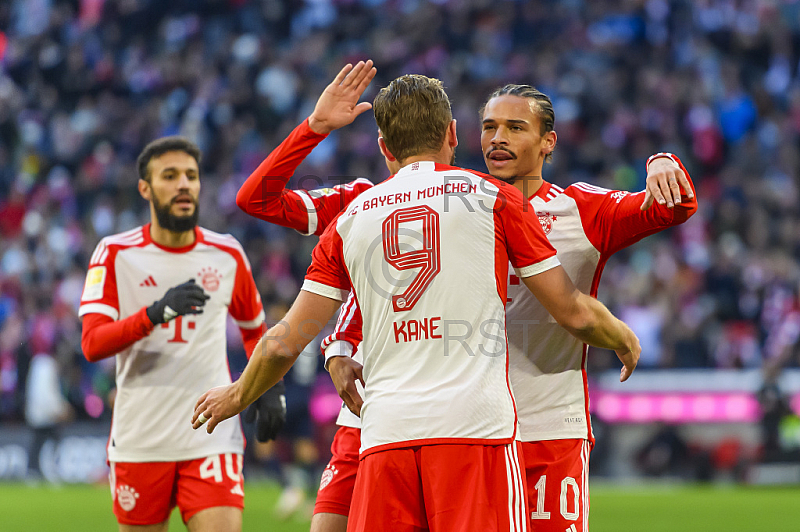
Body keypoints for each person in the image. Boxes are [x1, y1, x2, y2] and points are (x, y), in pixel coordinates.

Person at [236, 71, 693, 531]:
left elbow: (676, 207)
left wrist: (662, 160)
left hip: (537, 424)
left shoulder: (580, 210)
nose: (499, 138)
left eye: (516, 128)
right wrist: (339, 345)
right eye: (490, 126)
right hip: (412, 421)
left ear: (548, 142)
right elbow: (271, 207)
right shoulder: (430, 198)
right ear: (460, 133)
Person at [79, 136, 286, 532]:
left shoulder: (227, 254)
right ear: (145, 187)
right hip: (141, 437)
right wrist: (156, 313)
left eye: (191, 176)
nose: (183, 185)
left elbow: (254, 332)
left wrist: (267, 387)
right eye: (169, 176)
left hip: (211, 431)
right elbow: (92, 343)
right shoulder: (114, 253)